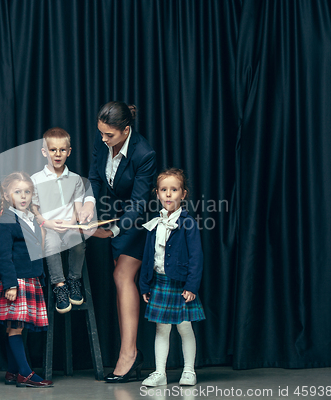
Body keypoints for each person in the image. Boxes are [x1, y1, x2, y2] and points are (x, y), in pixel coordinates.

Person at [79, 101, 157, 383]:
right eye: (100, 133)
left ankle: (129, 355)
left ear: (126, 130)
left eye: (109, 135)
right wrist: (88, 204)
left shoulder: (144, 153)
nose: (102, 139)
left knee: (122, 276)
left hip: (137, 221)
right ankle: (132, 353)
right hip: (113, 215)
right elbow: (94, 178)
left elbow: (138, 205)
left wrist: (112, 231)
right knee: (121, 278)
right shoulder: (102, 142)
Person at [0, 172, 53, 388]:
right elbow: (3, 256)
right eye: (18, 192)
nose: (23, 196)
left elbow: (38, 249)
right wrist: (10, 285)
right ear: (6, 194)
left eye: (27, 192)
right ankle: (25, 374)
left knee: (17, 327)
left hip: (30, 279)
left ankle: (12, 372)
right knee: (15, 328)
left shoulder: (30, 218)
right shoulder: (5, 220)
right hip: (16, 282)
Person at [139, 168, 205, 387]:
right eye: (164, 190)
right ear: (157, 193)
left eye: (174, 190)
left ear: (183, 194)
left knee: (185, 327)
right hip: (159, 283)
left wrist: (191, 286)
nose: (168, 194)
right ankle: (160, 373)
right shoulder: (154, 224)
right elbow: (148, 256)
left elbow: (196, 257)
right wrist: (144, 283)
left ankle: (189, 371)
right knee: (161, 328)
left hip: (180, 285)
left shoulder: (188, 224)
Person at [31, 127, 91, 313]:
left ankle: (74, 280)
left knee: (78, 242)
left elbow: (78, 205)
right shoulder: (36, 179)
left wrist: (72, 222)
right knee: (51, 244)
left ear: (69, 152)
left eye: (62, 150)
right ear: (44, 152)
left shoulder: (75, 179)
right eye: (52, 150)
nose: (57, 154)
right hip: (48, 227)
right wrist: (46, 223)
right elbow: (34, 208)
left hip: (69, 226)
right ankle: (59, 286)